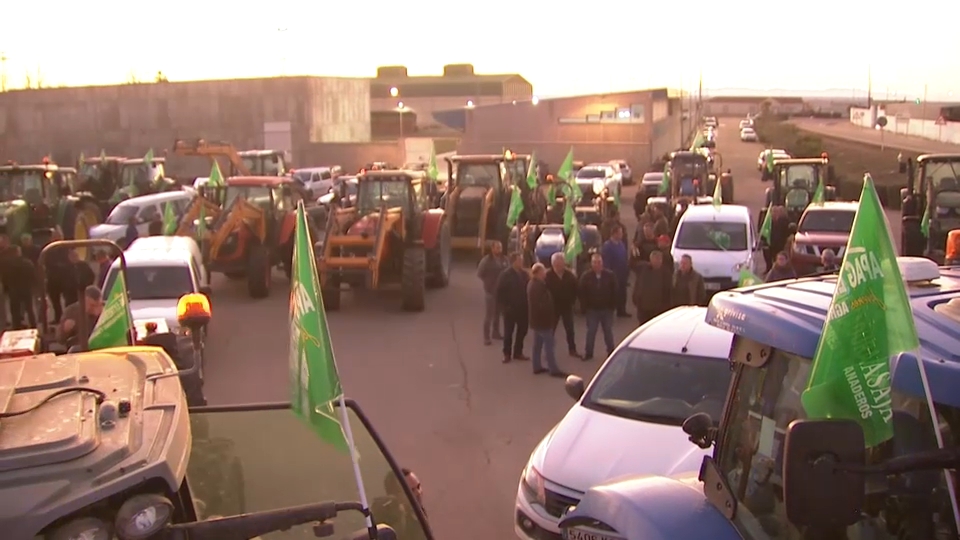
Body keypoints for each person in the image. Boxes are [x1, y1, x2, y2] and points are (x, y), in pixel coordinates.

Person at [527, 263, 566, 377]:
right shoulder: (537, 286)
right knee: (549, 345)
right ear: (538, 273)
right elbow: (542, 304)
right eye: (543, 271)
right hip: (543, 321)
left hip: (536, 320)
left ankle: (537, 366)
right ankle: (553, 369)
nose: (545, 273)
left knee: (537, 345)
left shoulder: (534, 284)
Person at [578, 253, 617, 361]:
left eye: (599, 262)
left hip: (606, 309)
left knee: (608, 332)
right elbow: (582, 292)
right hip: (592, 310)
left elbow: (615, 291)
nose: (597, 265)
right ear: (591, 264)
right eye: (594, 262)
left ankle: (611, 352)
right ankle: (588, 353)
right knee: (591, 332)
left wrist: (612, 306)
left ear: (602, 263)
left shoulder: (610, 275)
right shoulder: (586, 276)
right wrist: (584, 307)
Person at [495, 253, 530, 363]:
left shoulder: (525, 274)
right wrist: (503, 307)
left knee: (522, 331)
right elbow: (499, 292)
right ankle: (506, 354)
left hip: (523, 309)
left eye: (522, 260)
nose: (521, 262)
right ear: (514, 261)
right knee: (508, 332)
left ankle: (518, 352)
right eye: (520, 260)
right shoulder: (505, 275)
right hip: (510, 309)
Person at [545, 252, 580, 358]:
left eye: (562, 263)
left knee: (570, 329)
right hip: (553, 307)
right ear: (553, 264)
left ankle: (572, 350)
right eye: (558, 263)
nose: (560, 265)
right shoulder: (547, 276)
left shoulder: (570, 276)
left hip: (566, 306)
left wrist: (573, 301)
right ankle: (548, 351)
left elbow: (575, 289)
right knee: (550, 331)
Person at [477, 241, 508, 345]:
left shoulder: (504, 260)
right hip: (490, 291)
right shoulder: (486, 261)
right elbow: (480, 273)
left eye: (500, 247)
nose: (499, 250)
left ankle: (496, 333)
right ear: (492, 249)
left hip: (501, 291)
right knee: (489, 315)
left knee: (497, 314)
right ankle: (486, 337)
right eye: (497, 248)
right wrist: (488, 282)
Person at [632, 250, 673, 325]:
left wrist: (666, 306)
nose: (656, 262)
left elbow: (668, 291)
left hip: (658, 309)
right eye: (655, 259)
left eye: (658, 259)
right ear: (650, 260)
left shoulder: (666, 273)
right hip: (643, 307)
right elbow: (632, 265)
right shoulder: (643, 269)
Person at [4, 245, 38, 329]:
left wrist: (7, 288)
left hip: (13, 289)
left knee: (15, 309)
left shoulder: (6, 264)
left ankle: (16, 326)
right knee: (29, 308)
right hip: (26, 288)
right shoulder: (27, 262)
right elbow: (33, 275)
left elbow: (4, 277)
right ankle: (33, 325)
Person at [601, 224, 631, 318]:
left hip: (622, 273)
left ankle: (621, 310)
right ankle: (609, 311)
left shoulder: (621, 244)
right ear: (614, 234)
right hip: (613, 274)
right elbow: (606, 262)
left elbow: (625, 257)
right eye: (620, 233)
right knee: (613, 293)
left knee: (622, 292)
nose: (621, 235)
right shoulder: (607, 246)